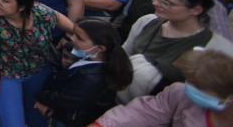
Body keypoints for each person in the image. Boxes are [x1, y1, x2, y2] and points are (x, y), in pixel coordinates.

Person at [121, 0, 233, 102]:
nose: (155, 3)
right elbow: (122, 58)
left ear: (196, 9)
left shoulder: (216, 49)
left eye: (165, 2)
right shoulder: (146, 22)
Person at [94, 49, 233, 127]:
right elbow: (143, 112)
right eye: (190, 82)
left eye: (198, 87)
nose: (189, 88)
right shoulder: (180, 94)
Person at [33, 18, 132, 127]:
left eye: (79, 38)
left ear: (100, 48)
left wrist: (40, 97)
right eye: (74, 34)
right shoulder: (89, 61)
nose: (73, 39)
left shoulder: (92, 78)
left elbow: (65, 99)